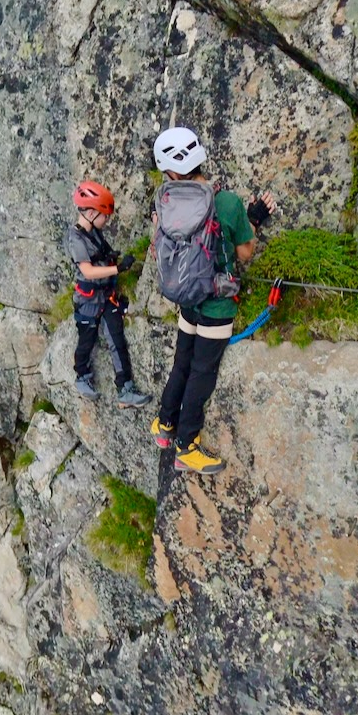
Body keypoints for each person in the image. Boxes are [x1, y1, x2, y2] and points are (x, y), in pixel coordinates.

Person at [148, 126, 276, 475]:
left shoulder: (167, 199)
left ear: (170, 170)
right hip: (217, 302)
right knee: (202, 372)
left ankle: (164, 425)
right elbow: (245, 253)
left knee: (182, 364)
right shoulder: (227, 202)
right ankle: (187, 446)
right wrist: (252, 220)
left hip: (186, 294)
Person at [63, 180, 152, 408]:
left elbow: (98, 258)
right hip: (88, 301)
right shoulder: (75, 238)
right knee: (87, 340)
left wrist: (112, 256)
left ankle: (125, 389)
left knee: (117, 340)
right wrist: (118, 268)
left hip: (106, 296)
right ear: (91, 212)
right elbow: (87, 270)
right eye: (104, 215)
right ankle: (81, 376)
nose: (107, 220)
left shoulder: (94, 232)